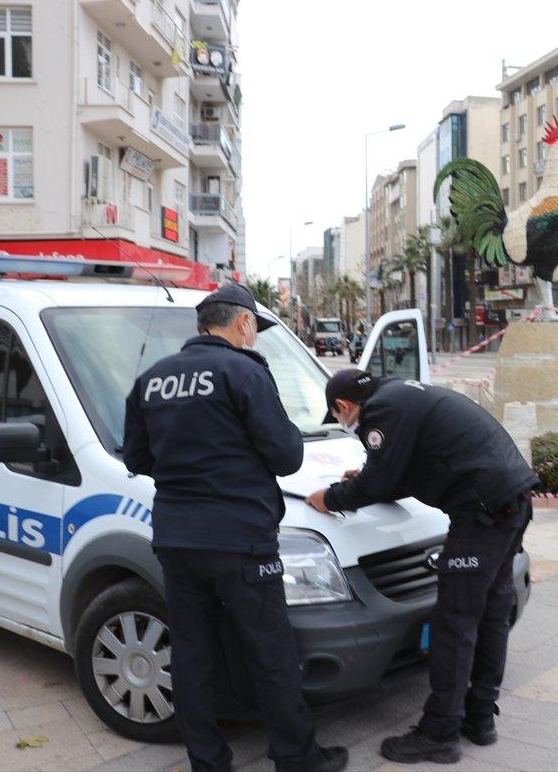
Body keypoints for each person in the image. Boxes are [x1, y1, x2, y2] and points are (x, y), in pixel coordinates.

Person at [122, 283, 347, 772]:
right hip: (240, 540)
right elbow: (287, 456)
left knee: (191, 656)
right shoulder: (243, 371)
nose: (255, 337)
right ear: (243, 322)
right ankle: (297, 758)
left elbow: (137, 458)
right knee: (271, 653)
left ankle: (208, 762)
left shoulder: (152, 379)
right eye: (255, 328)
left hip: (177, 539)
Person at [305, 369, 538, 765]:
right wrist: (370, 477)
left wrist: (330, 497)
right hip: (511, 501)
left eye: (339, 417)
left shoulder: (380, 411)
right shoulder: (401, 394)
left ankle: (440, 732)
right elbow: (405, 470)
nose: (344, 424)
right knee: (491, 612)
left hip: (481, 513)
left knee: (454, 623)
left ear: (342, 406)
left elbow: (377, 484)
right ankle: (480, 717)